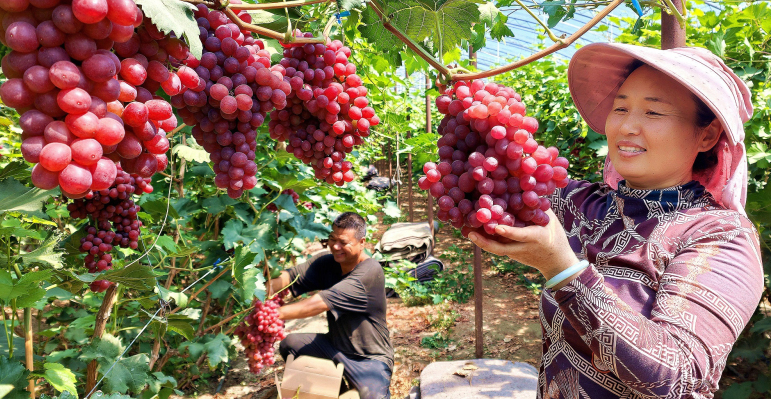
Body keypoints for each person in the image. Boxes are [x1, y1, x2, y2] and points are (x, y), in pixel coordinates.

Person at [466, 43, 763, 398]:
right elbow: (489, 182)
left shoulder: (720, 236)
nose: (626, 126)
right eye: (620, 107)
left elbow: (678, 375)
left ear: (708, 135)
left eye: (653, 113)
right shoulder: (581, 204)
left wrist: (563, 269)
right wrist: (470, 101)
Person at [269, 212, 393, 399]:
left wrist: (270, 314)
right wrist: (261, 292)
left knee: (371, 397)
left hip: (368, 359)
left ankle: (359, 388)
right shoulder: (328, 263)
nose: (335, 247)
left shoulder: (369, 272)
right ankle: (337, 390)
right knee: (291, 345)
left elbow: (319, 303)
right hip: (335, 347)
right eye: (332, 239)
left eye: (343, 242)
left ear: (362, 242)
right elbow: (291, 276)